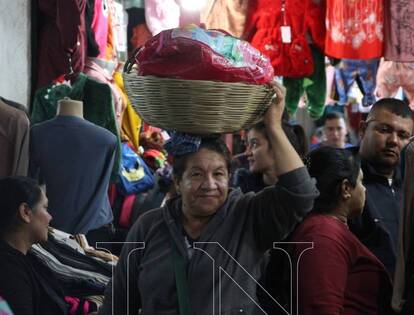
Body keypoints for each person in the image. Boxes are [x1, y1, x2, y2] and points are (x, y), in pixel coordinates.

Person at [99, 83, 319, 314]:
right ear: (177, 182)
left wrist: (273, 126)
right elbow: (119, 302)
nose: (209, 185)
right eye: (196, 174)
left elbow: (300, 193)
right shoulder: (149, 226)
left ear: (229, 178)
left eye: (218, 174)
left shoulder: (247, 216)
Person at [290, 146, 392, 314]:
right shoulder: (323, 237)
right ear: (346, 189)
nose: (364, 189)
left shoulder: (327, 230)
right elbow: (321, 308)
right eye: (361, 182)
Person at [0, 176, 68, 315]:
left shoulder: (19, 261)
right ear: (25, 212)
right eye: (45, 208)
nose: (50, 217)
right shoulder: (6, 273)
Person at [349, 98, 414, 276]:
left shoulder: (412, 183)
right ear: (363, 129)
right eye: (384, 130)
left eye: (403, 136)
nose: (393, 141)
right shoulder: (345, 179)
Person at [232, 116, 307, 193]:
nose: (247, 153)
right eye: (247, 145)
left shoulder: (302, 192)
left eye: (254, 144)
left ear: (276, 147)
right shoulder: (243, 191)